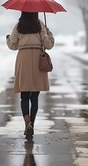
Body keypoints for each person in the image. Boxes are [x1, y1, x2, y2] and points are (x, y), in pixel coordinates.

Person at [6, 11, 55, 140]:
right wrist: (48, 32)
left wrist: (7, 39)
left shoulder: (19, 26)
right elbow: (49, 45)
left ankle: (26, 122)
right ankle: (32, 123)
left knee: (24, 96)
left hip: (23, 59)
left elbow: (12, 45)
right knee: (34, 97)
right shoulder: (40, 25)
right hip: (38, 60)